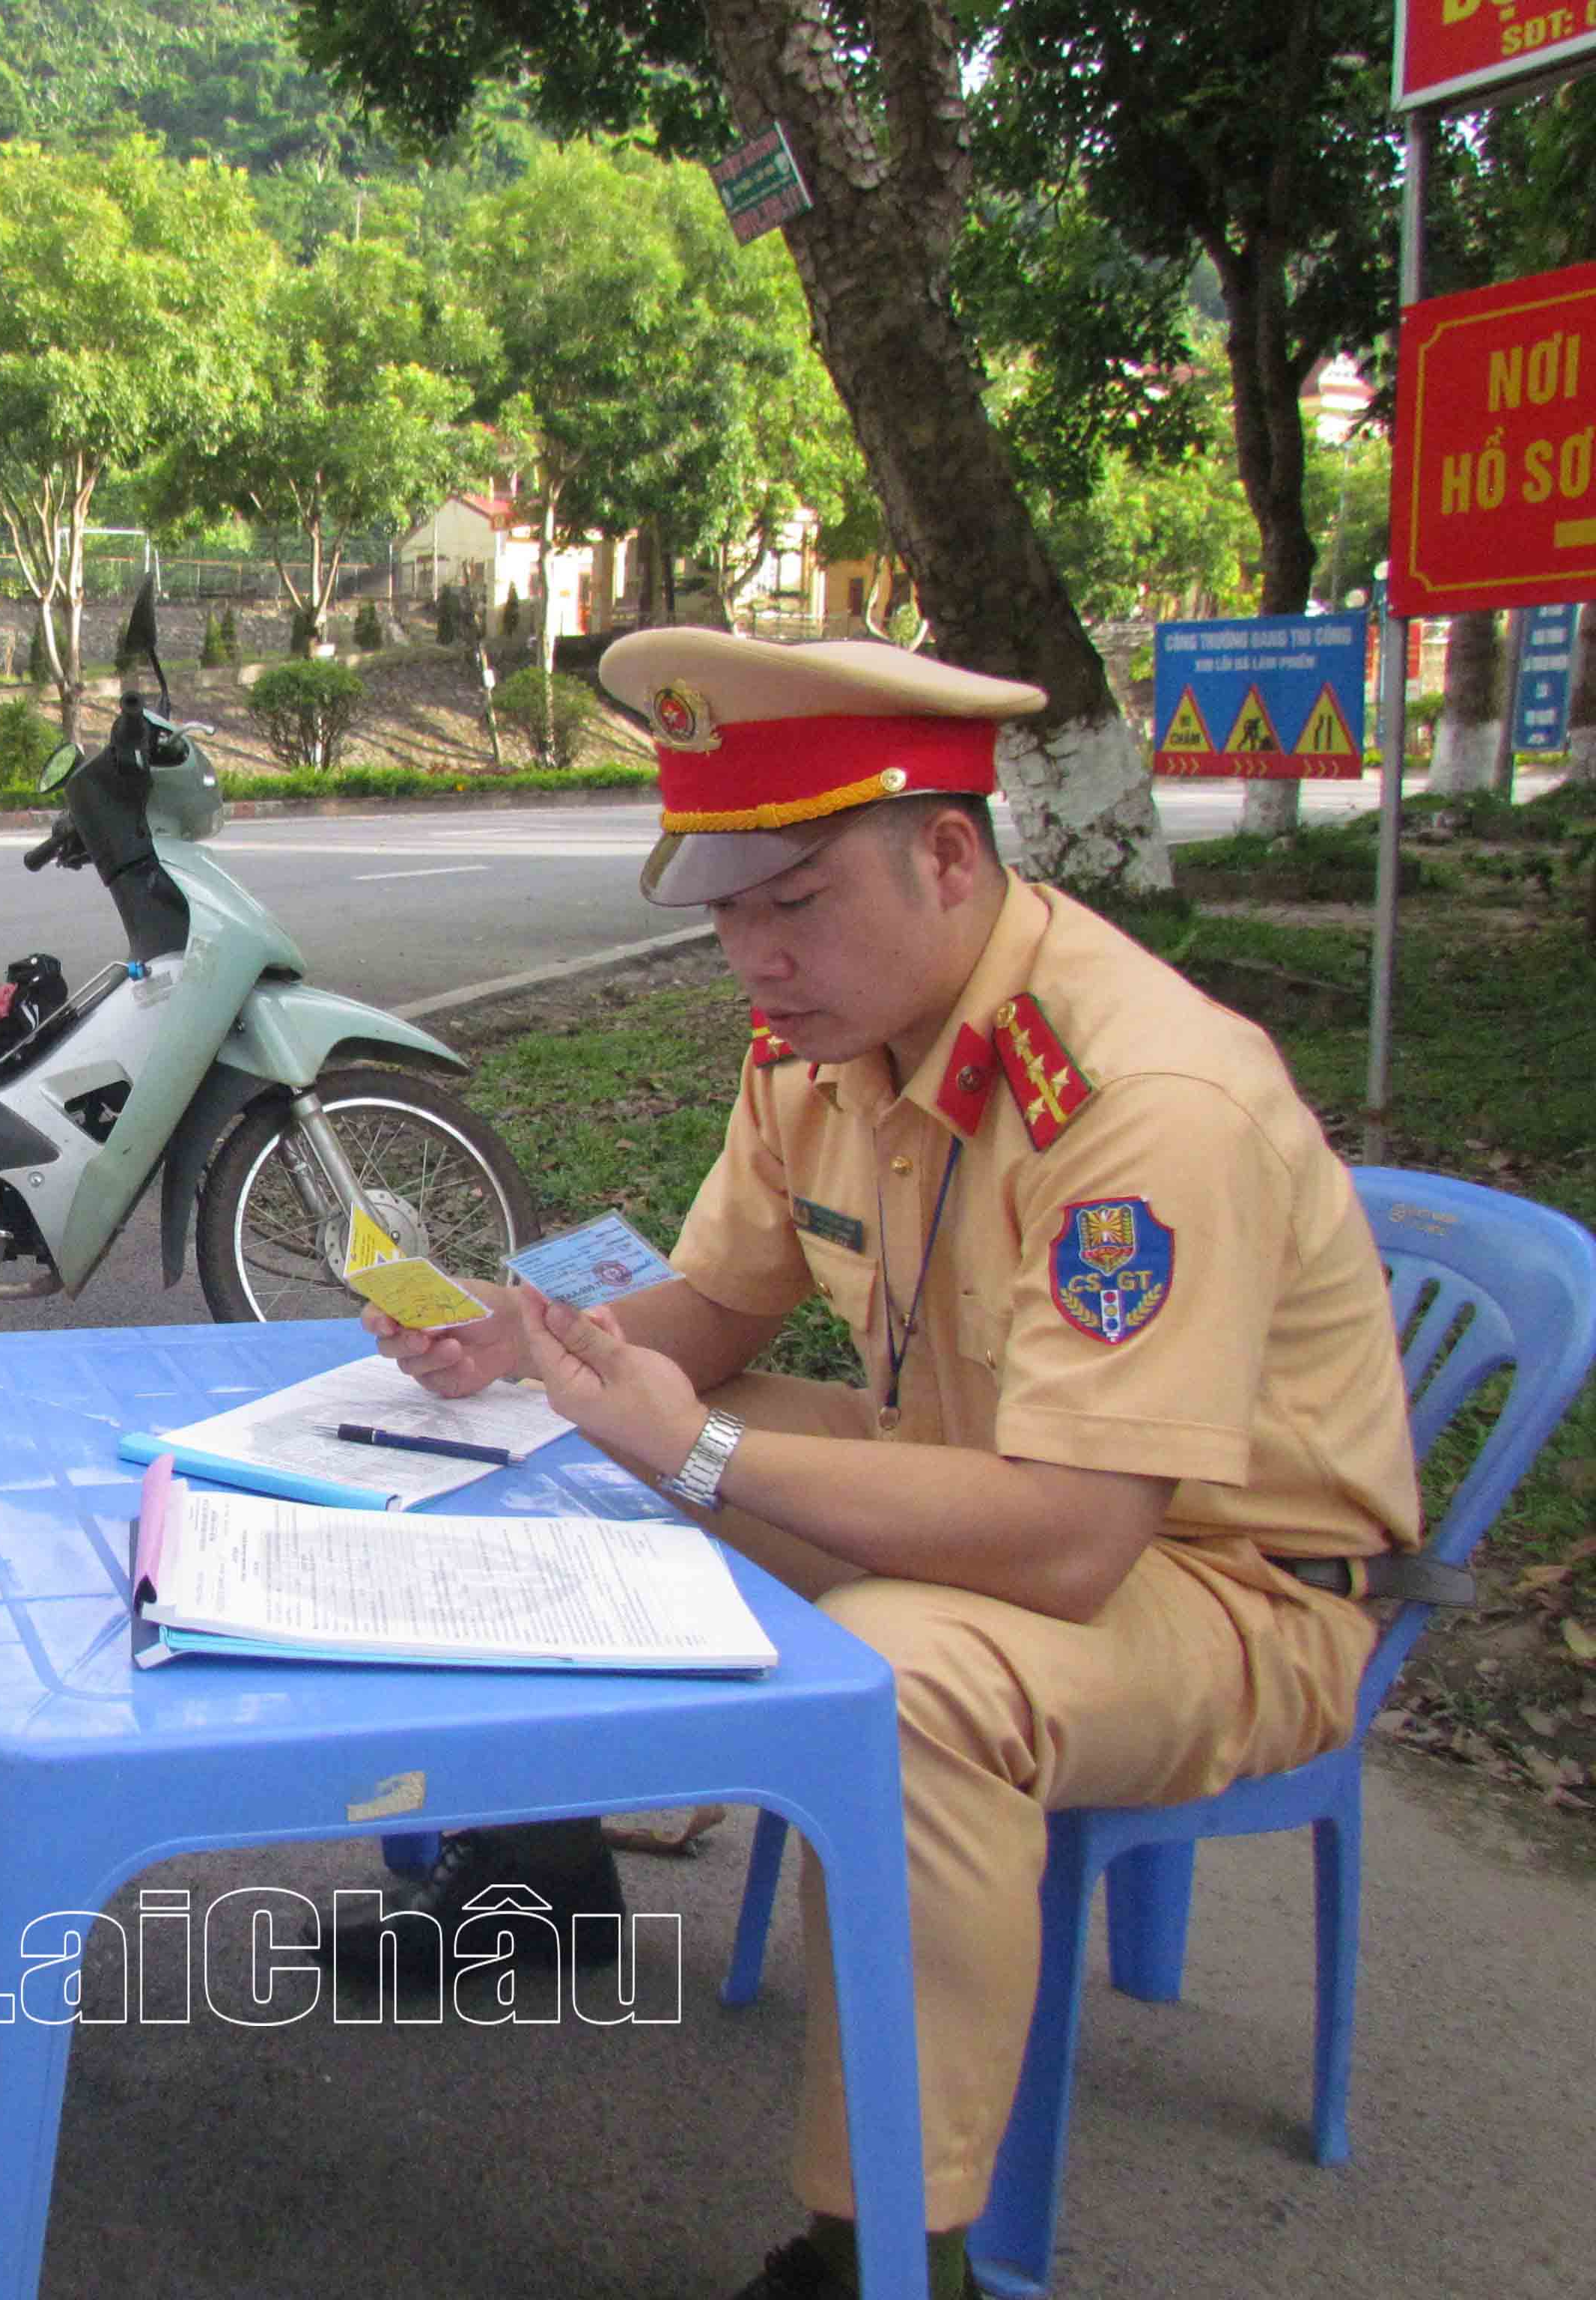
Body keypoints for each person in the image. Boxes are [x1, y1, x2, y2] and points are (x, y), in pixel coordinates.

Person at [368, 631, 1422, 2300]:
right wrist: (532, 1348)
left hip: (1224, 1587)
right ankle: (542, 1869)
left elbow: (1074, 1544)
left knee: (910, 1681)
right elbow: (717, 1300)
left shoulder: (1138, 1101)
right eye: (721, 910)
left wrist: (700, 1447)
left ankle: (883, 2254)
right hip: (960, 1471)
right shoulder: (825, 1039)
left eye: (790, 902)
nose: (751, 959)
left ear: (945, 855)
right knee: (581, 1437)